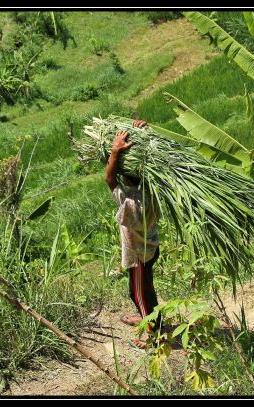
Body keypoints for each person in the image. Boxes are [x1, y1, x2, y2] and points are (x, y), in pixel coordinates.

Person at [105, 118, 161, 349]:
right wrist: (144, 135)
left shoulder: (131, 203)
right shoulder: (154, 189)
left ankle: (153, 333)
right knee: (146, 288)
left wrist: (115, 151)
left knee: (137, 293)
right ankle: (151, 319)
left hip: (138, 255)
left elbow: (109, 179)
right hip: (151, 248)